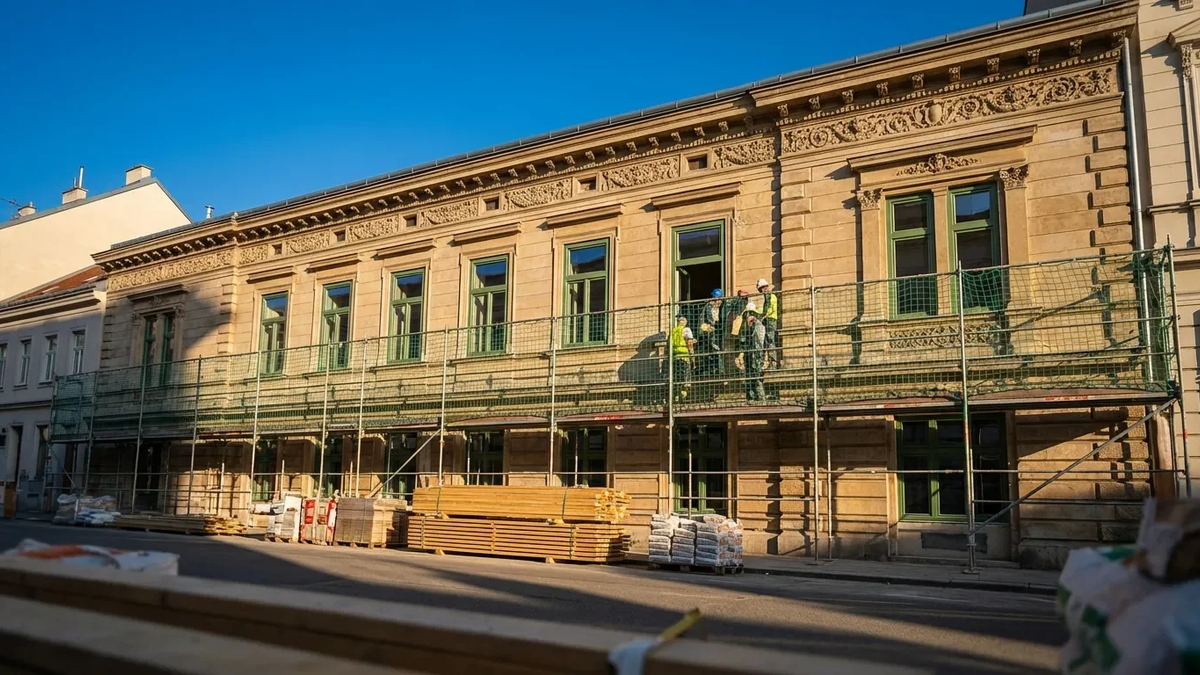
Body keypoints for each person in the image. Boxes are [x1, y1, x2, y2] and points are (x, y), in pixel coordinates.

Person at [698, 289, 724, 384]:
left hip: (709, 330)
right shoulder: (709, 306)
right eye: (720, 299)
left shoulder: (714, 306)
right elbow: (710, 319)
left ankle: (714, 370)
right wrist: (713, 325)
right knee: (714, 349)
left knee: (712, 350)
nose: (720, 302)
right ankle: (718, 371)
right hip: (708, 330)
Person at [668, 315, 696, 401]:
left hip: (674, 358)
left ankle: (676, 397)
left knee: (677, 379)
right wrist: (692, 356)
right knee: (686, 380)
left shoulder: (673, 332)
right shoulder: (686, 330)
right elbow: (689, 343)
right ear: (684, 322)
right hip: (684, 356)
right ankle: (684, 398)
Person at [743, 302, 767, 401]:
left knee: (756, 376)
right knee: (751, 375)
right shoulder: (758, 325)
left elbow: (759, 341)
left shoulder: (756, 324)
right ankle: (752, 397)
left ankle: (760, 397)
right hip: (753, 353)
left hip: (755, 353)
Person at [757, 278, 781, 369]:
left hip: (769, 319)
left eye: (760, 290)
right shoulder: (773, 296)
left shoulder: (768, 295)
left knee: (769, 341)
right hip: (772, 319)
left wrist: (762, 316)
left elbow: (767, 308)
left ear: (763, 288)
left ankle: (773, 363)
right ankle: (771, 362)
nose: (760, 292)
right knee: (769, 340)